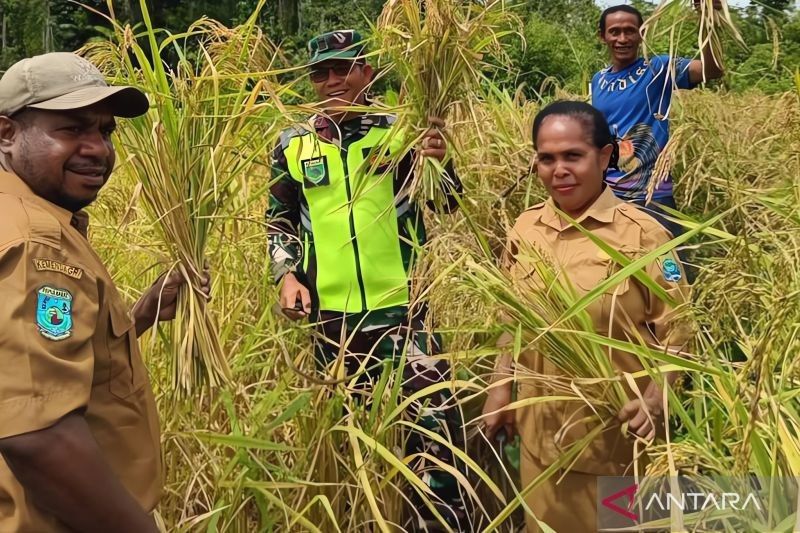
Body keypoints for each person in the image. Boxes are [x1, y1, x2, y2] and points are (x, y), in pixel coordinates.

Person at [0, 52, 209, 532]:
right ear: (7, 134)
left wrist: (138, 317)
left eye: (105, 131)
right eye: (72, 130)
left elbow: (33, 362)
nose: (98, 148)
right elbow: (39, 435)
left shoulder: (24, 217)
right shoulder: (36, 244)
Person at [266, 30, 467, 530]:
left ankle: (439, 522)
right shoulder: (295, 144)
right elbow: (279, 218)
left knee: (433, 433)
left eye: (342, 68)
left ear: (367, 72)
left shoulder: (403, 132)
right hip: (331, 321)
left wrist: (439, 164)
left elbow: (446, 204)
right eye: (320, 72)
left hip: (405, 311)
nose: (332, 80)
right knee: (351, 434)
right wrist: (287, 275)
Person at [482, 101, 690, 532]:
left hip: (617, 445)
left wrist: (656, 400)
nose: (559, 170)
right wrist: (500, 389)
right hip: (540, 445)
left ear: (605, 156)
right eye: (547, 158)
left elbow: (681, 332)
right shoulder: (525, 229)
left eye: (573, 156)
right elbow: (513, 321)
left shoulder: (644, 235)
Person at [591, 3, 725, 237]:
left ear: (641, 34)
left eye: (630, 30)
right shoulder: (598, 80)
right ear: (602, 36)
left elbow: (711, 70)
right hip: (608, 193)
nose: (623, 38)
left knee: (669, 265)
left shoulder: (658, 69)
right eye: (614, 32)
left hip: (652, 194)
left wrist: (708, 19)